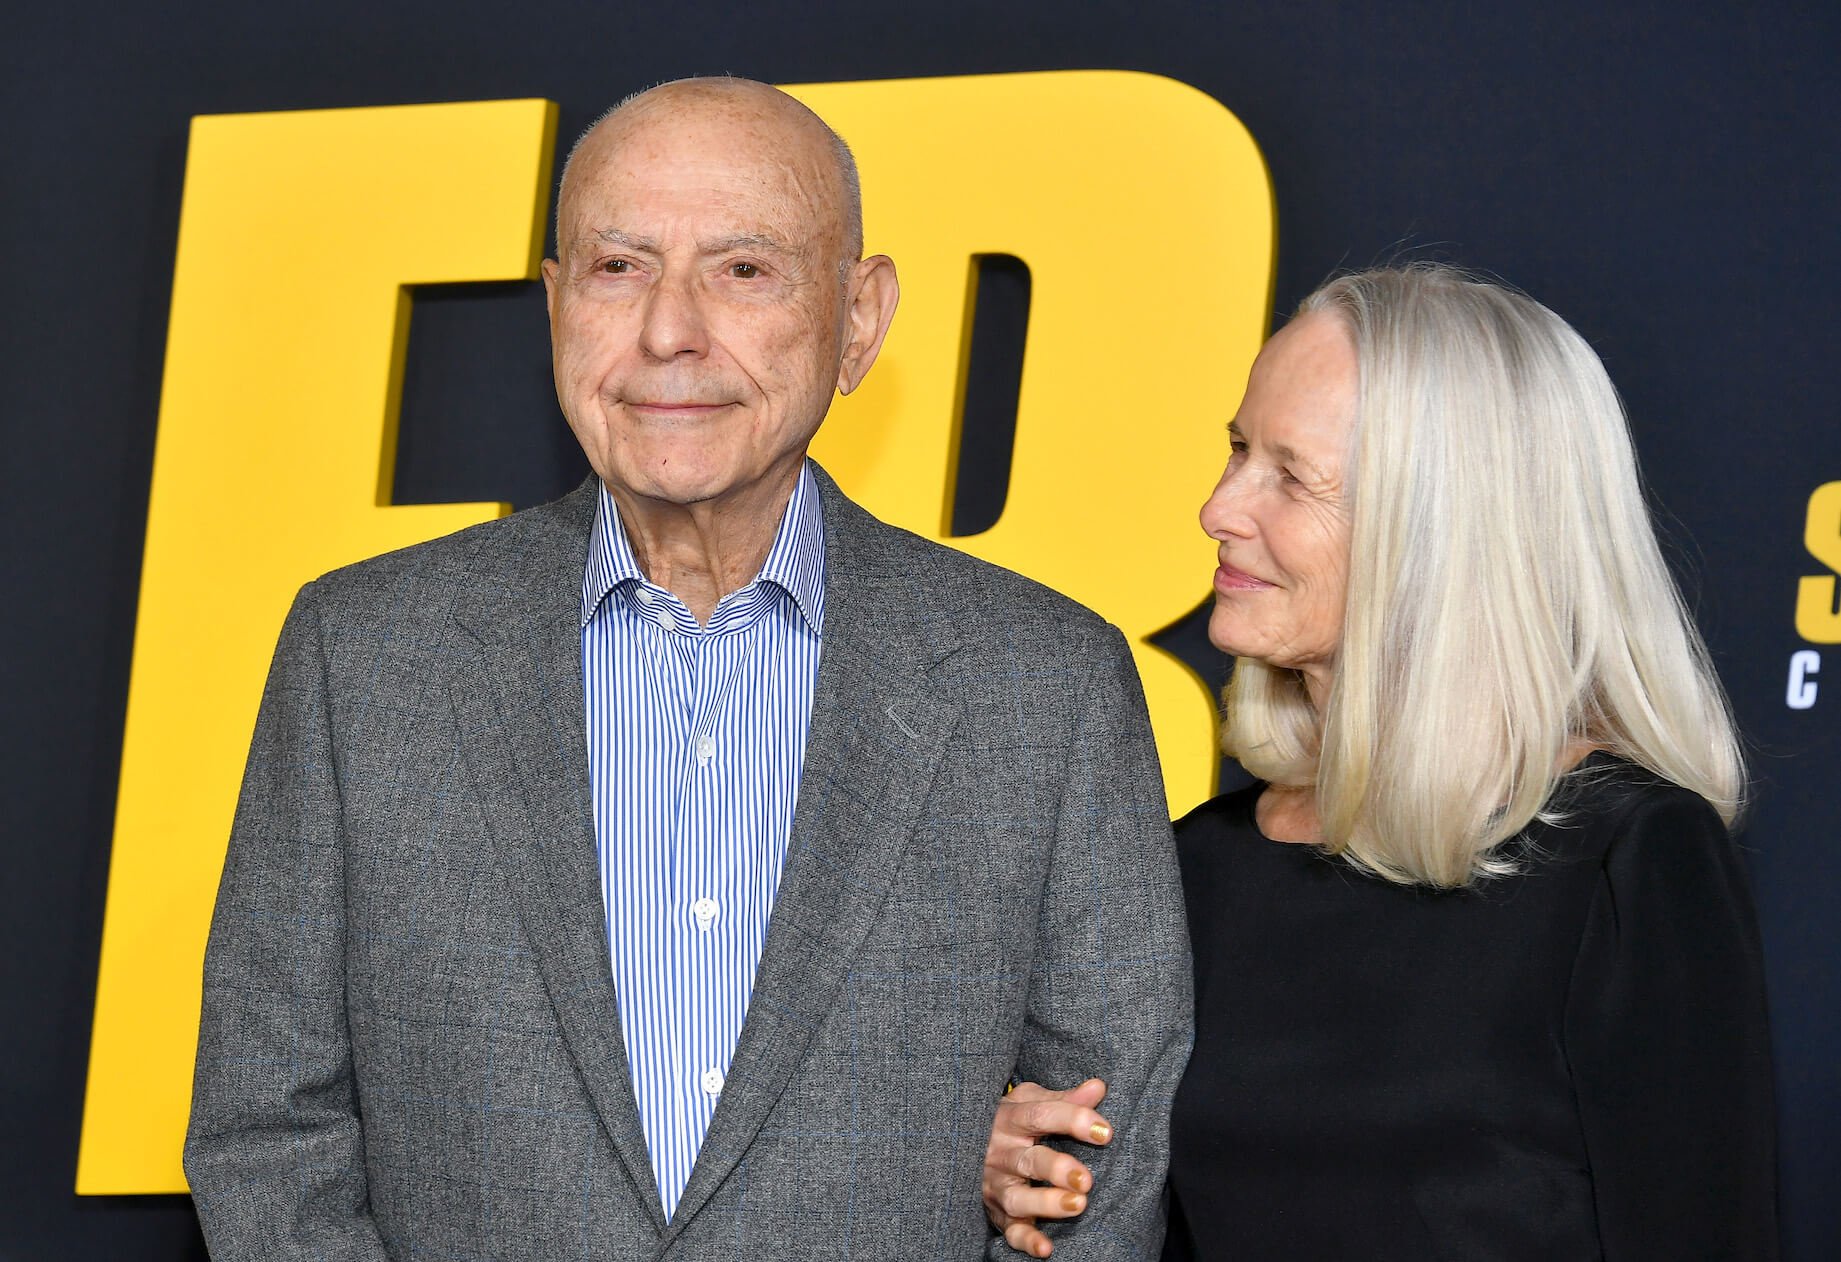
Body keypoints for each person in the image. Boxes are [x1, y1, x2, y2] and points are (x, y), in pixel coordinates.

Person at [183, 77, 1191, 1260]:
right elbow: (266, 1131)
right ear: (555, 305)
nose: (668, 329)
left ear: (859, 319)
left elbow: (1098, 1166)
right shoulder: (363, 657)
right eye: (617, 267)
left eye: (742, 269)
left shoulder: (1043, 685)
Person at [981, 265, 1777, 1260]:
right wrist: (1010, 1174)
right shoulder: (1197, 864)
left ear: (1443, 533)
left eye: (1290, 476)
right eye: (1235, 449)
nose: (1216, 507)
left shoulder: (1625, 860)